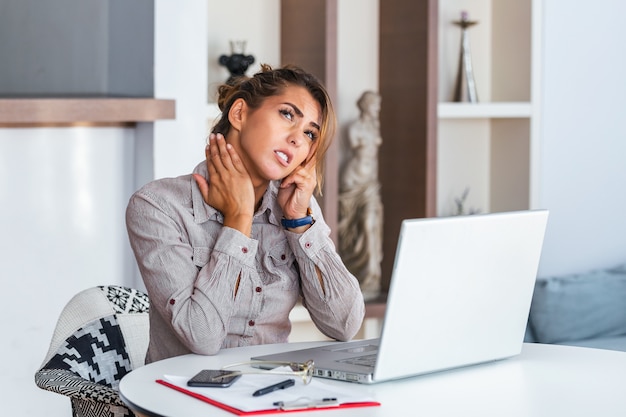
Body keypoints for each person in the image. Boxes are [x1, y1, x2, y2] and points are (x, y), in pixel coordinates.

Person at [126, 64, 365, 364]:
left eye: (309, 133)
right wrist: (238, 219)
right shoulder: (157, 206)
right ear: (239, 114)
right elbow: (202, 336)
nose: (297, 139)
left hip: (271, 397)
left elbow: (344, 325)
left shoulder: (295, 207)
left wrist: (300, 224)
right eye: (287, 114)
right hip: (185, 401)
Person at [338, 91, 383, 301]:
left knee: (370, 224)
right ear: (365, 106)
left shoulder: (375, 126)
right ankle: (356, 270)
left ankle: (371, 276)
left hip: (370, 183)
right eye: (375, 106)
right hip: (353, 179)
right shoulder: (354, 128)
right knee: (353, 224)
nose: (378, 110)